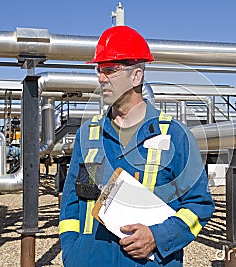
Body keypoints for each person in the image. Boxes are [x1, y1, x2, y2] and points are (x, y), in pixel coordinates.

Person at [59, 25, 214, 266]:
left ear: (136, 76)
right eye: (100, 70)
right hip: (91, 259)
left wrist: (157, 237)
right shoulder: (88, 135)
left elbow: (198, 204)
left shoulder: (175, 135)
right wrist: (72, 250)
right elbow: (75, 199)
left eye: (111, 70)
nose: (101, 78)